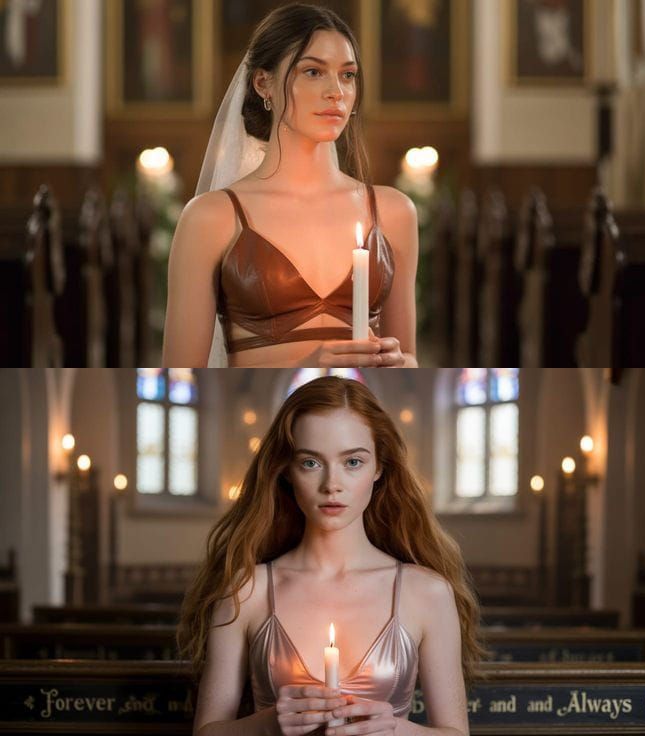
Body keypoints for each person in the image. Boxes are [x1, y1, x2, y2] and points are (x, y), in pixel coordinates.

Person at [180, 376, 480, 735]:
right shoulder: (246, 591)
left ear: (379, 468)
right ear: (286, 471)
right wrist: (267, 724)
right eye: (311, 463)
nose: (331, 485)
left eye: (353, 462)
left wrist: (397, 730)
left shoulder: (428, 593)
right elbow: (205, 732)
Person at [163, 4, 418, 368]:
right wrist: (304, 371)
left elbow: (408, 360)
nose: (336, 92)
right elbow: (180, 374)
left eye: (348, 76)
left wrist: (403, 364)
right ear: (263, 82)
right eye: (313, 71)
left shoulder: (393, 212)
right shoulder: (211, 217)